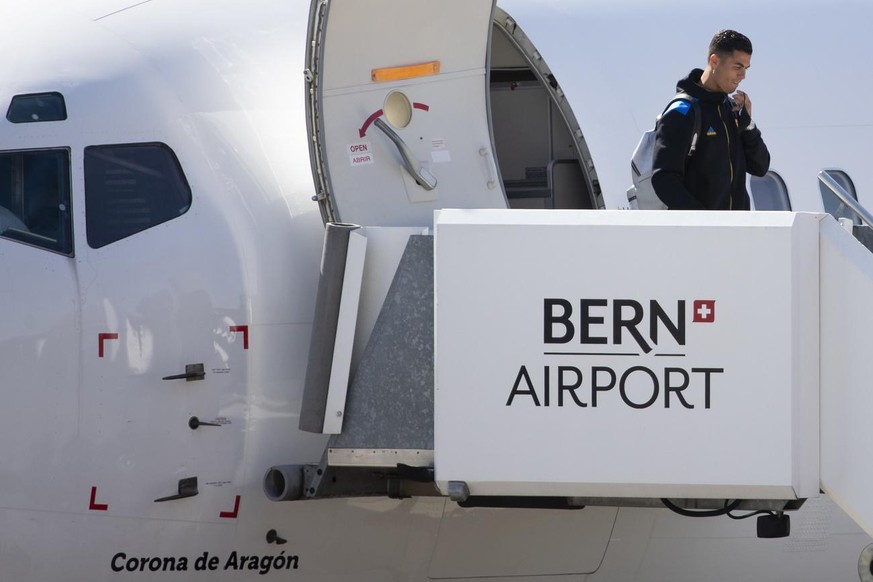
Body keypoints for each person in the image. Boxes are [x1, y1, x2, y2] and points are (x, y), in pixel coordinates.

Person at [651, 30, 770, 210]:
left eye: (746, 69)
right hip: (702, 234)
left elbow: (760, 167)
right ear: (714, 61)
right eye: (738, 67)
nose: (743, 76)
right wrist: (704, 223)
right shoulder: (682, 112)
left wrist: (748, 126)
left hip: (737, 232)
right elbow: (664, 179)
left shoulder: (731, 109)